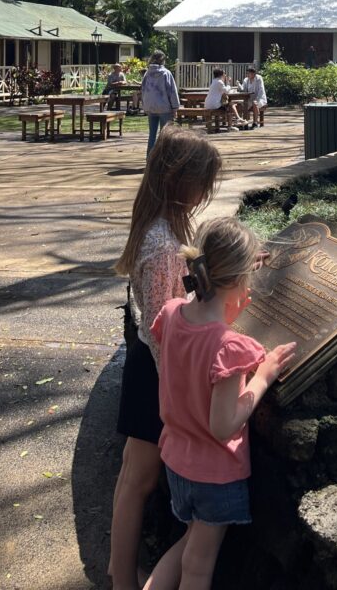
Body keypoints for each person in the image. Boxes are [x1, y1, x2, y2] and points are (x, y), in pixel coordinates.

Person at [143, 217, 296, 590]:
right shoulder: (230, 347)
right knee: (198, 565)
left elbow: (191, 357)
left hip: (177, 463)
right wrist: (263, 375)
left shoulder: (172, 314)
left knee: (185, 545)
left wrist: (235, 277)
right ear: (240, 281)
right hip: (213, 475)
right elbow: (223, 425)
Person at [109, 126, 222, 590]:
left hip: (153, 370)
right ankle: (121, 580)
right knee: (139, 479)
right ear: (179, 180)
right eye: (203, 184)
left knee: (133, 476)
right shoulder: (160, 244)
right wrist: (184, 389)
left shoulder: (167, 227)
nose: (205, 195)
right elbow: (162, 328)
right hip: (155, 374)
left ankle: (120, 568)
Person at [141, 51, 180, 156]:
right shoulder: (166, 73)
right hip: (164, 107)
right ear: (162, 60)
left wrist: (144, 105)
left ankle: (150, 159)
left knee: (152, 135)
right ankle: (163, 158)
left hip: (151, 107)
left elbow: (143, 89)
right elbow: (172, 91)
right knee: (165, 135)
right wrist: (175, 107)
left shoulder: (147, 73)